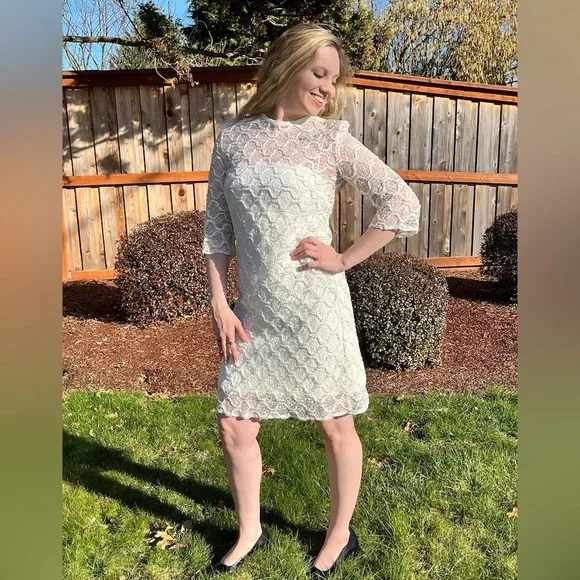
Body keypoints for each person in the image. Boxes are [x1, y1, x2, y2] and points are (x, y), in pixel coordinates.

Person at [202, 22, 421, 577]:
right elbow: (217, 232)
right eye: (319, 73)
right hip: (253, 312)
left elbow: (400, 201)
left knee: (335, 424)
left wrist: (344, 259)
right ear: (287, 65)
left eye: (333, 79)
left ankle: (340, 533)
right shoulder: (233, 139)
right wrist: (220, 304)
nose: (328, 87)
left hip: (316, 309)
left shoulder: (331, 139)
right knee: (235, 424)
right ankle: (249, 529)